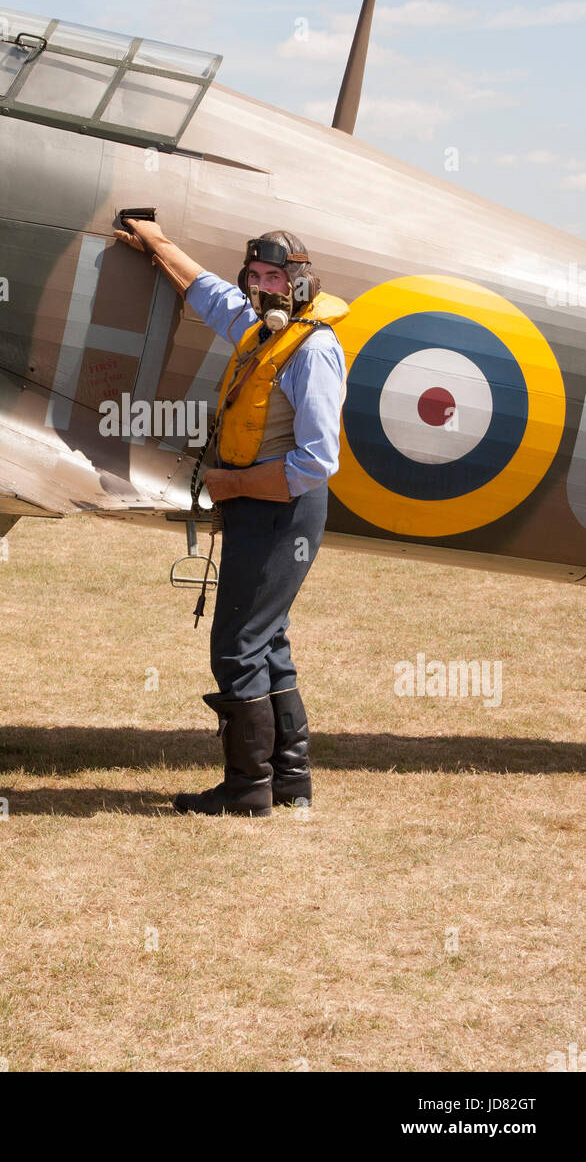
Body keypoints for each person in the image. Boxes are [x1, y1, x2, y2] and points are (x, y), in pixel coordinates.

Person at [115, 215, 349, 817]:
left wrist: (231, 482)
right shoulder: (263, 329)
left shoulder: (314, 347)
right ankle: (289, 780)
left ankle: (247, 789)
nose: (263, 286)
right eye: (256, 275)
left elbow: (317, 461)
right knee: (268, 640)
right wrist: (157, 244)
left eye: (276, 275)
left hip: (282, 510)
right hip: (260, 507)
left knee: (238, 644)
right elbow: (211, 295)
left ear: (300, 282)